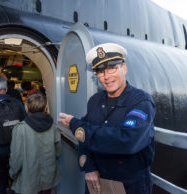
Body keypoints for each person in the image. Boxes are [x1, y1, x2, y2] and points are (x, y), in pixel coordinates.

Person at [58, 43, 156, 194]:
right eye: (100, 71)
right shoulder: (95, 100)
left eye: (112, 68)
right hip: (97, 180)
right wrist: (89, 167)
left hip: (129, 184)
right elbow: (85, 141)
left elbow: (127, 141)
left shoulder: (140, 101)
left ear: (124, 68)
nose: (106, 76)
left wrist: (75, 125)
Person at [9, 91, 61, 194]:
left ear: (26, 107)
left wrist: (12, 173)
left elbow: (16, 158)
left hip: (27, 181)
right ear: (45, 107)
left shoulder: (20, 129)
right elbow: (57, 153)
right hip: (48, 179)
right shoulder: (54, 127)